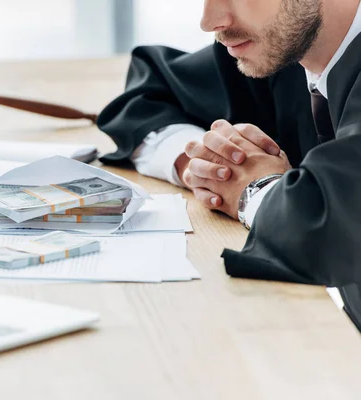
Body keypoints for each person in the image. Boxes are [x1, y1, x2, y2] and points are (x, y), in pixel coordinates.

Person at [97, 0, 361, 330]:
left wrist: (253, 190)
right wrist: (206, 163)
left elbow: (332, 232)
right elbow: (148, 97)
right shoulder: (291, 47)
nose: (209, 21)